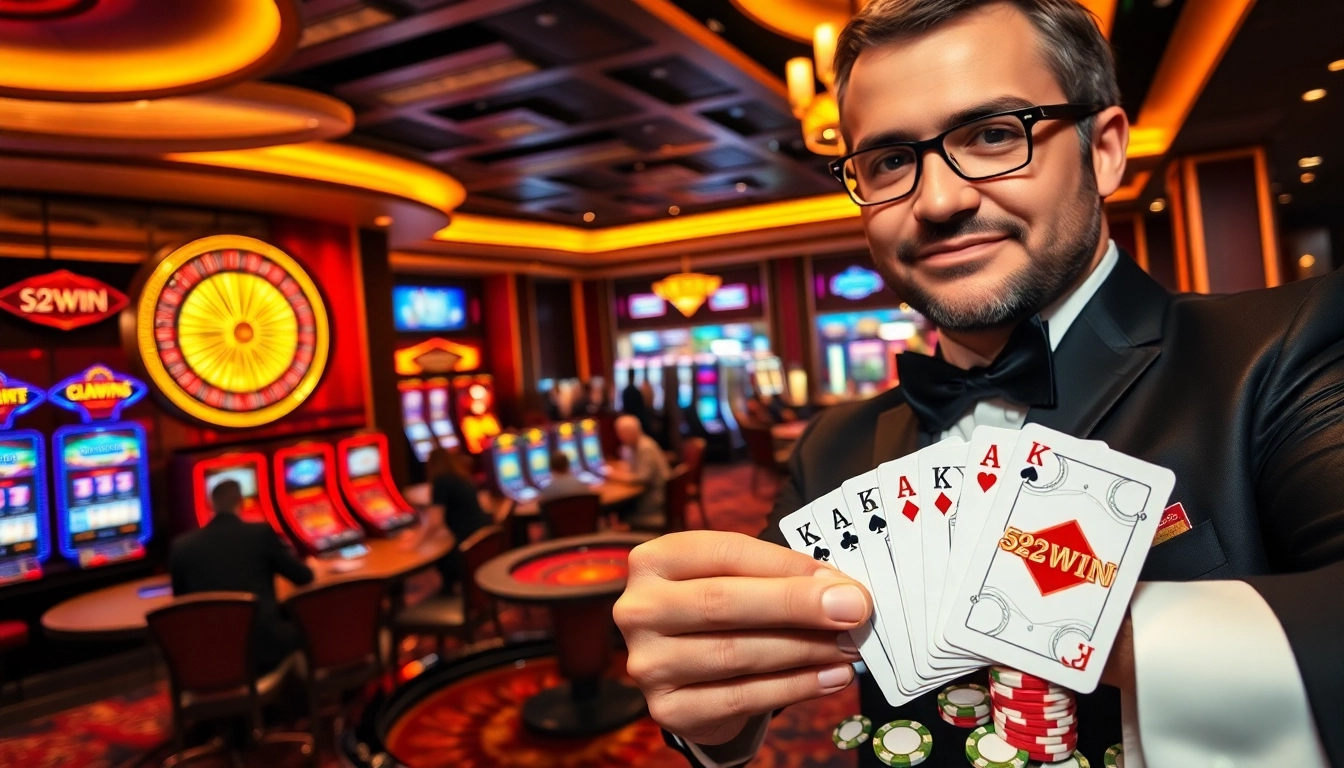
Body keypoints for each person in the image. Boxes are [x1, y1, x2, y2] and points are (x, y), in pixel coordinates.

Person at [614, 1, 1344, 767]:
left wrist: (1082, 625)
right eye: (891, 161)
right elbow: (741, 669)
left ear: (1104, 150)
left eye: (994, 135)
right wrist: (704, 696)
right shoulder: (835, 445)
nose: (937, 201)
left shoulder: (1288, 349)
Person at [169, 480, 316, 673]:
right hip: (262, 650)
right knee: (315, 627)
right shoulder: (260, 533)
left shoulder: (181, 546)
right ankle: (311, 696)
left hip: (208, 656)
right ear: (242, 502)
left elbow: (181, 601)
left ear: (211, 504)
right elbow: (303, 577)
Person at [425, 447, 493, 586]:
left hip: (466, 545)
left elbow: (435, 523)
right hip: (483, 538)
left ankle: (449, 592)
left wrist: (413, 544)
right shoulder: (462, 477)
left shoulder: (441, 482)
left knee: (440, 553)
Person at [608, 414, 670, 527]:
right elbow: (629, 466)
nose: (619, 437)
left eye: (621, 433)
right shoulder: (634, 445)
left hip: (653, 500)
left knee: (615, 510)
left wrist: (614, 475)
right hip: (649, 494)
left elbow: (642, 478)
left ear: (631, 432)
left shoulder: (645, 448)